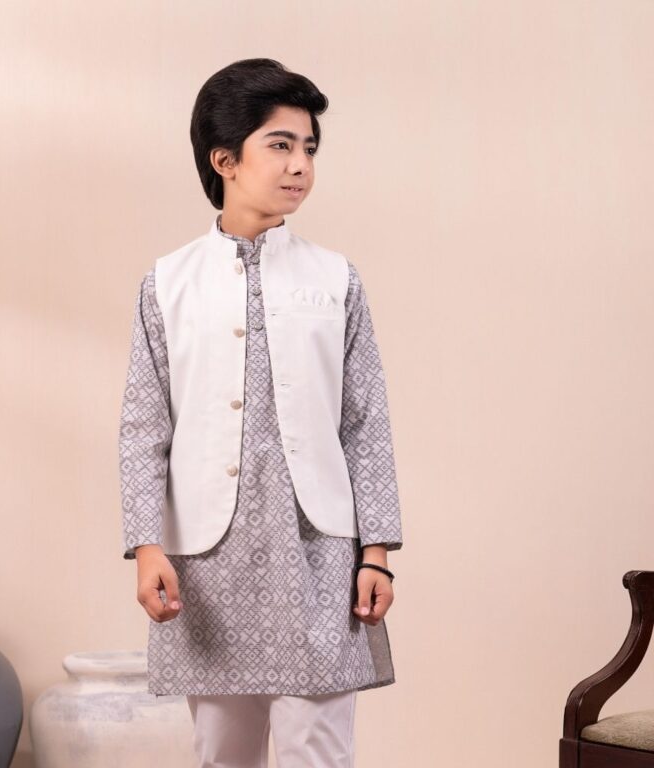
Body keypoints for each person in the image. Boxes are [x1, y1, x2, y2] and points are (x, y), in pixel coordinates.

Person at [118, 57, 403, 768]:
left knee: (318, 751)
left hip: (319, 552)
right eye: (280, 145)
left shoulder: (335, 279)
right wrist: (147, 546)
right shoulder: (167, 284)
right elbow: (144, 429)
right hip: (207, 559)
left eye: (309, 148)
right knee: (223, 753)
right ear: (225, 160)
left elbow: (365, 423)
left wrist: (377, 554)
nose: (300, 165)